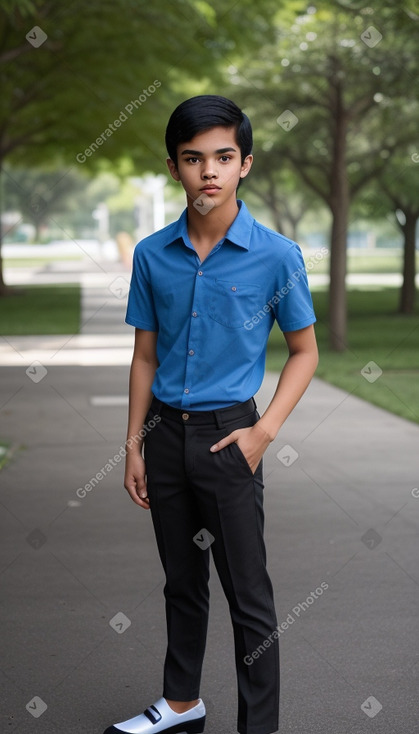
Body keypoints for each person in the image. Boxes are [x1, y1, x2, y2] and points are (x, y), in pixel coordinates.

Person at [104, 95, 318, 734]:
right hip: (165, 435)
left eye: (223, 157)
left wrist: (263, 432)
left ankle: (260, 726)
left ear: (245, 163)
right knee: (181, 581)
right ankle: (180, 703)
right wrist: (134, 445)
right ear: (174, 168)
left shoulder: (277, 256)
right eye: (194, 159)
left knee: (248, 595)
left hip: (233, 436)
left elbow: (304, 352)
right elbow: (145, 356)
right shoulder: (151, 254)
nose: (209, 172)